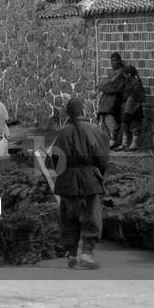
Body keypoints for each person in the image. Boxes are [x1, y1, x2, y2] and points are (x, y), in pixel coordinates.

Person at [50, 96, 110, 269]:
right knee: (91, 217)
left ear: (68, 113)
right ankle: (87, 255)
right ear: (83, 111)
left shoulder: (62, 132)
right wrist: (98, 174)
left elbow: (56, 159)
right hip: (89, 179)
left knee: (68, 218)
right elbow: (103, 158)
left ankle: (72, 254)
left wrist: (62, 174)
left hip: (67, 180)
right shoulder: (94, 130)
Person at [96, 52, 125, 148]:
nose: (112, 63)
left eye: (114, 61)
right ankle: (109, 139)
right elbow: (107, 84)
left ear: (119, 61)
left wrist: (101, 84)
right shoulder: (113, 73)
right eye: (111, 61)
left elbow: (110, 85)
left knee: (110, 120)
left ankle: (114, 139)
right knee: (104, 120)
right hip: (108, 101)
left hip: (114, 101)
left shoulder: (120, 73)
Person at [120, 65, 146, 151]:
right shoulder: (127, 83)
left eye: (125, 74)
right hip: (127, 107)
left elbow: (138, 97)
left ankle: (134, 144)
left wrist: (130, 105)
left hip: (135, 107)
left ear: (129, 74)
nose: (124, 76)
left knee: (134, 126)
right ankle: (124, 144)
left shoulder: (136, 83)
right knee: (124, 124)